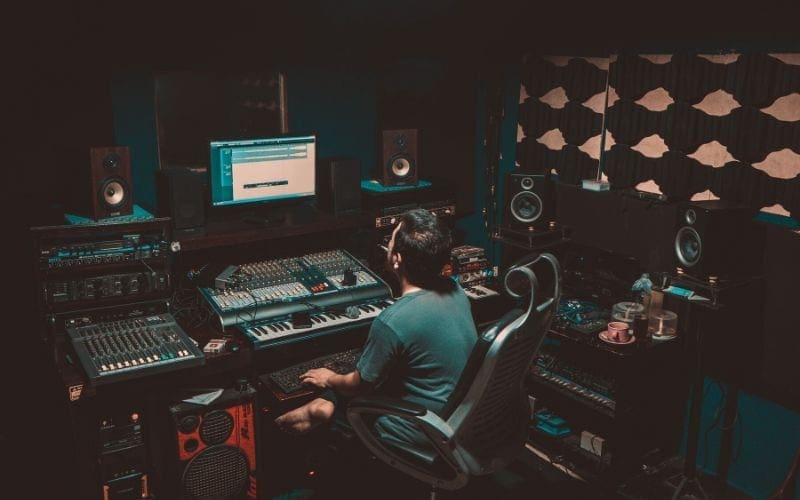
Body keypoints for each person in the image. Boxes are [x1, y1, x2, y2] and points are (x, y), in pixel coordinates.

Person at [274, 208, 478, 451]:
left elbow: (357, 386)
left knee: (345, 396)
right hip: (463, 417)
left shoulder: (394, 320)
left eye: (390, 241)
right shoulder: (456, 291)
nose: (387, 245)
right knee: (365, 376)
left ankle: (292, 433)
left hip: (426, 428)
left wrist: (329, 377)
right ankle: (321, 408)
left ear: (397, 259)